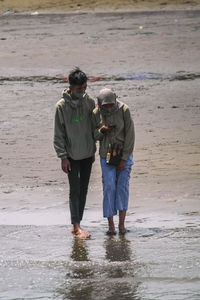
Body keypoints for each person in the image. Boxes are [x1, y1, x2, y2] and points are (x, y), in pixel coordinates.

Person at [54, 67, 96, 238]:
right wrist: (63, 157)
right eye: (79, 89)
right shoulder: (61, 107)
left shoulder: (89, 102)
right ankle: (76, 226)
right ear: (70, 86)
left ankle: (78, 224)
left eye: (85, 88)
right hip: (71, 155)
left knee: (84, 189)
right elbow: (59, 134)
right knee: (75, 190)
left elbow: (95, 127)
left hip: (88, 153)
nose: (83, 91)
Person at [92, 88, 135, 235]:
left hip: (124, 153)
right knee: (109, 187)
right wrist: (102, 131)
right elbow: (94, 136)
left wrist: (124, 159)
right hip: (106, 155)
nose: (109, 108)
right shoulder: (96, 113)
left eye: (111, 104)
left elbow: (130, 135)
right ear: (100, 104)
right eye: (106, 106)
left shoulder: (124, 110)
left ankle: (122, 225)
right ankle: (111, 226)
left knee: (122, 188)